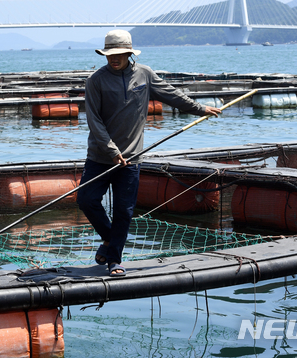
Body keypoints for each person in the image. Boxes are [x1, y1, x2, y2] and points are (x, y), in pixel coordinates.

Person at [77, 30, 221, 277]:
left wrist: (199, 109)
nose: (114, 58)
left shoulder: (144, 74)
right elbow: (94, 121)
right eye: (110, 54)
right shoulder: (96, 80)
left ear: (129, 53)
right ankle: (111, 239)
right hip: (100, 156)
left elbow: (171, 94)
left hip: (131, 158)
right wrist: (111, 150)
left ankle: (114, 260)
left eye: (119, 53)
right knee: (86, 200)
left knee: (124, 210)